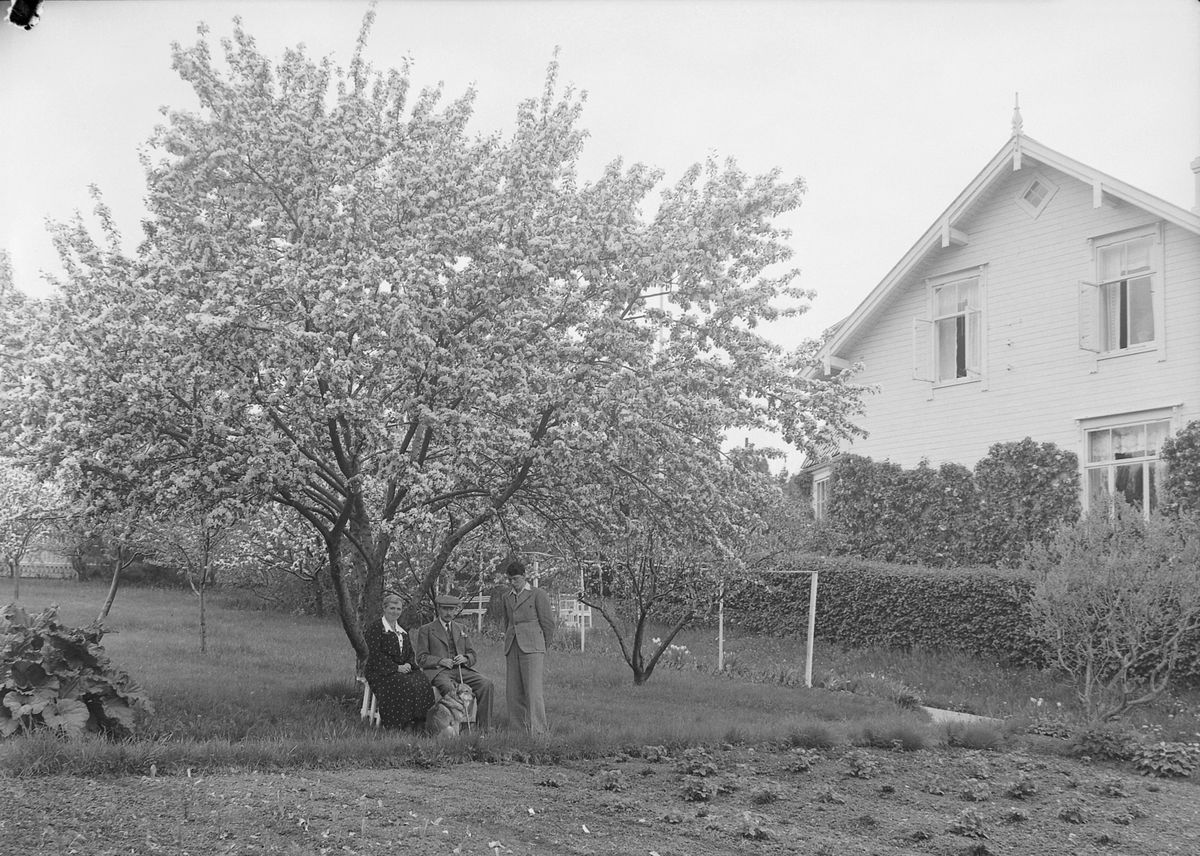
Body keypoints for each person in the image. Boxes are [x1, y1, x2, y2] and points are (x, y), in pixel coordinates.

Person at [414, 593, 494, 731]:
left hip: (461, 670)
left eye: (452, 609)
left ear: (456, 610)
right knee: (451, 689)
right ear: (438, 609)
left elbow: (472, 654)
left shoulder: (461, 628)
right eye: (445, 609)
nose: (448, 613)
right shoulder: (426, 630)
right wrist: (440, 660)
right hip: (439, 672)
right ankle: (450, 727)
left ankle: (483, 729)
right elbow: (421, 658)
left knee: (486, 684)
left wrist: (466, 658)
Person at [363, 592, 436, 731]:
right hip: (380, 670)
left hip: (402, 669)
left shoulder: (402, 631)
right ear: (384, 608)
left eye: (398, 609)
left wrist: (408, 664)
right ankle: (400, 724)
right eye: (392, 608)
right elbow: (375, 655)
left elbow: (410, 653)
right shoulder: (375, 629)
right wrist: (396, 668)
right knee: (404, 683)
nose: (395, 612)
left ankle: (420, 722)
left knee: (422, 682)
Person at [498, 558, 555, 735]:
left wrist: (542, 646)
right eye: (509, 579)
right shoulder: (506, 597)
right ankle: (517, 730)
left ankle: (538, 731)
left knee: (532, 690)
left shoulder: (538, 594)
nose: (512, 583)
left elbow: (548, 624)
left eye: (515, 579)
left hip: (533, 647)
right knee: (513, 691)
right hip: (512, 645)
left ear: (524, 577)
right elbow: (507, 622)